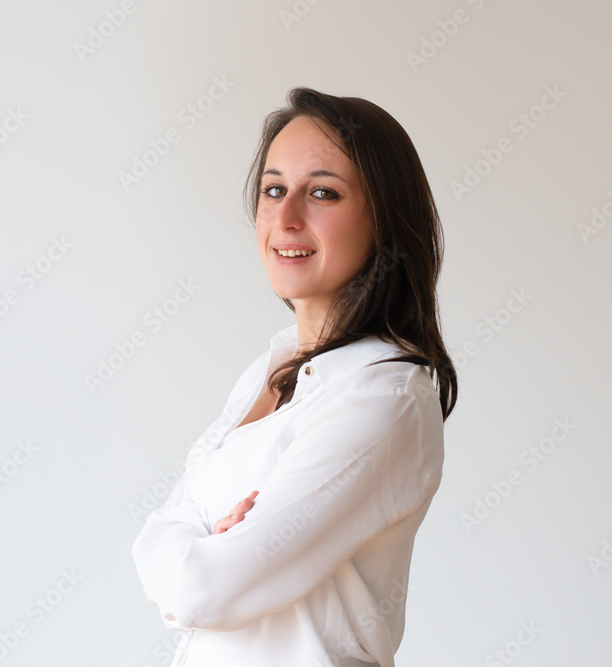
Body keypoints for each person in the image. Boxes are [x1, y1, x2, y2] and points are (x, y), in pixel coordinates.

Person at [131, 86, 458, 667]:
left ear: (384, 219)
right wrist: (194, 543)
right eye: (274, 189)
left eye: (323, 193)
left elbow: (204, 589)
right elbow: (168, 532)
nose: (285, 217)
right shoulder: (274, 366)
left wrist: (196, 546)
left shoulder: (383, 398)